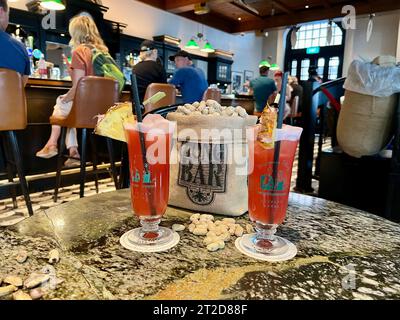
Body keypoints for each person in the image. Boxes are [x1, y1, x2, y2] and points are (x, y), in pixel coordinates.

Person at [36, 15, 112, 167]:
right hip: (104, 110)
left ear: (75, 33)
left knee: (60, 103)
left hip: (86, 109)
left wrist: (65, 98)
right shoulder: (104, 53)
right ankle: (73, 152)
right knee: (70, 112)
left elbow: (78, 87)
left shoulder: (79, 51)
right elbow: (90, 82)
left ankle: (52, 144)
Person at [0, 0, 30, 84]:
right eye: (8, 15)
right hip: (12, 97)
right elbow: (21, 88)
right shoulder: (21, 48)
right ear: (1, 12)